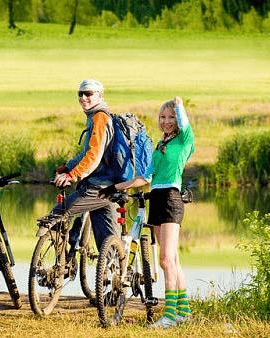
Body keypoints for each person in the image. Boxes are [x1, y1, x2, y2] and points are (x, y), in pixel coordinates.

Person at [100, 96, 195, 329]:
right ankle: (184, 311)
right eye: (162, 117)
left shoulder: (185, 140)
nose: (166, 121)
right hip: (156, 198)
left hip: (172, 199)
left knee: (165, 259)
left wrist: (179, 105)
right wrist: (115, 187)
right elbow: (146, 177)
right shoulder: (161, 145)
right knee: (171, 260)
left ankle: (170, 315)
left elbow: (184, 123)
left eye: (171, 117)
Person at [47, 79, 119, 261]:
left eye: (88, 94)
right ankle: (114, 279)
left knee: (57, 214)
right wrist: (68, 166)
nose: (83, 98)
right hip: (111, 184)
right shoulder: (95, 116)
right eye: (80, 93)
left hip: (99, 187)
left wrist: (72, 175)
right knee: (108, 243)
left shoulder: (100, 117)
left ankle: (61, 264)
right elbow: (87, 153)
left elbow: (93, 156)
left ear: (100, 96)